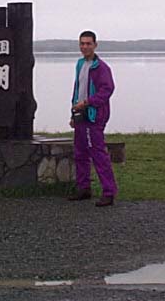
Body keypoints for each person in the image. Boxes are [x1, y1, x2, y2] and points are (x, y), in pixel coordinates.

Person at [68, 30, 118, 207]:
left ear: (95, 45)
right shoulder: (80, 64)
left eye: (88, 43)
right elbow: (77, 89)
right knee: (80, 153)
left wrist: (88, 103)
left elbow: (107, 90)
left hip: (94, 116)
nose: (85, 47)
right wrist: (73, 113)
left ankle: (109, 192)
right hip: (80, 115)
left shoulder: (101, 68)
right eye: (82, 43)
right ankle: (83, 188)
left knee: (98, 154)